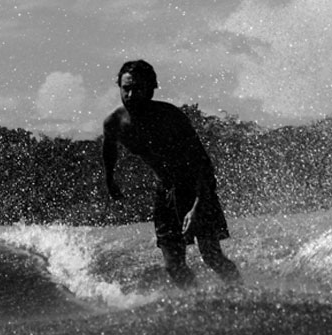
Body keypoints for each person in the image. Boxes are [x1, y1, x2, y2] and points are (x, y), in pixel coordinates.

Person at [101, 59, 241, 287]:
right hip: (164, 192)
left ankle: (241, 293)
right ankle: (195, 302)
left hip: (196, 188)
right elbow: (109, 150)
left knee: (211, 257)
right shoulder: (114, 122)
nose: (131, 94)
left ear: (151, 88)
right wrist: (110, 180)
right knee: (173, 265)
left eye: (138, 88)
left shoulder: (170, 117)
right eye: (126, 88)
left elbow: (202, 164)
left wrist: (197, 207)